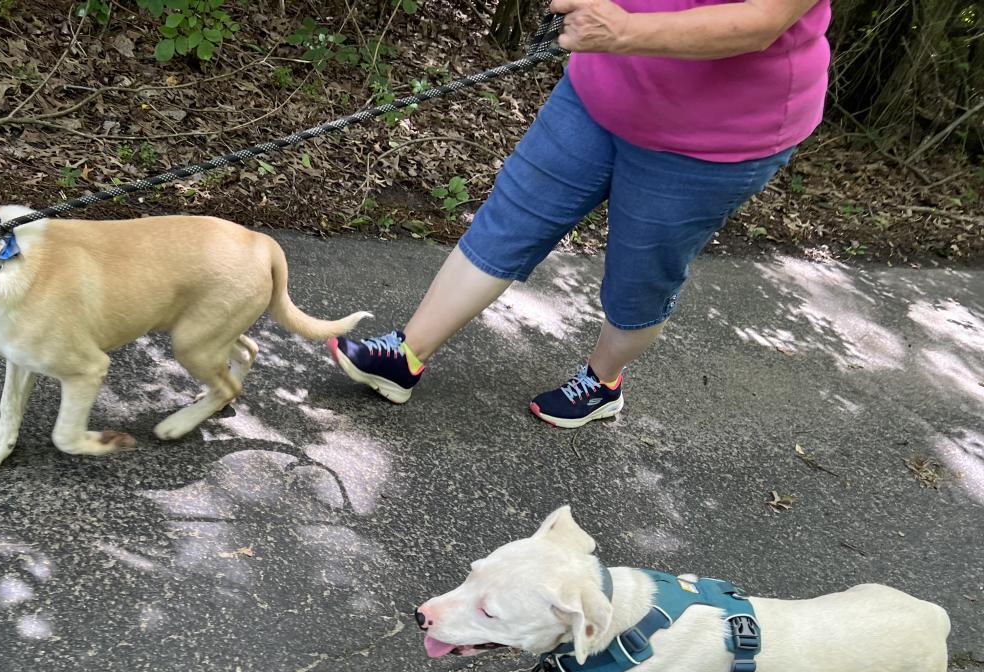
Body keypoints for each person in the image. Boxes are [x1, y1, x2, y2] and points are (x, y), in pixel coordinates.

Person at [329, 0, 831, 428]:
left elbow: (763, 18)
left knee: (639, 280)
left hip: (713, 139)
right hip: (600, 91)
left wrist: (625, 30)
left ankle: (601, 383)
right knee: (511, 216)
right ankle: (404, 357)